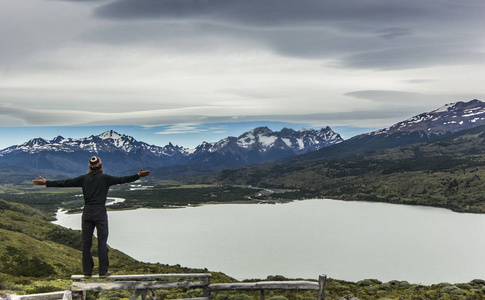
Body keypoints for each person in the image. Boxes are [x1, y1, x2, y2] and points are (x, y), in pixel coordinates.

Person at [33, 156, 151, 278]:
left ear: (89, 167)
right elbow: (122, 179)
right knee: (102, 242)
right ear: (100, 167)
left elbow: (65, 182)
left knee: (86, 243)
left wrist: (47, 182)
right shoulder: (106, 178)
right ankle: (103, 271)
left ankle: (87, 272)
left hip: (87, 211)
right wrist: (138, 175)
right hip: (100, 211)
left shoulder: (84, 179)